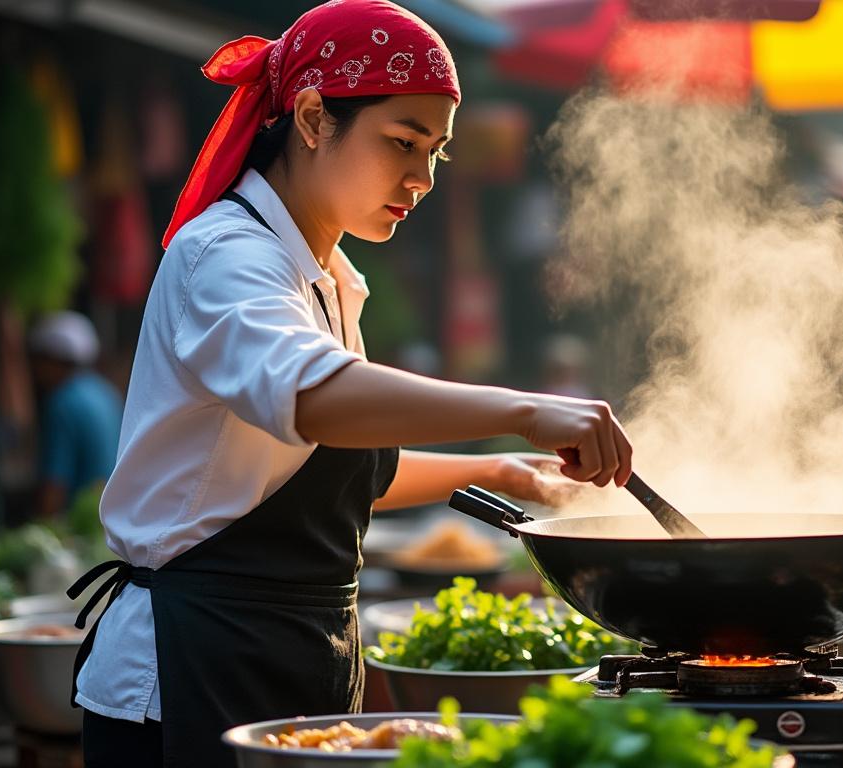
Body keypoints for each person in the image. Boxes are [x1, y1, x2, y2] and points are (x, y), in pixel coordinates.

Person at [68, 3, 634, 765]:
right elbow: (317, 398)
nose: (422, 177)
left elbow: (335, 467)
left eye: (436, 151)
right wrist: (525, 410)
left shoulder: (330, 278)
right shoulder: (229, 256)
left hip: (296, 658)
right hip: (188, 672)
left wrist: (494, 471)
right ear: (310, 117)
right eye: (402, 142)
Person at [27, 311, 123, 520]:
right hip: (113, 516)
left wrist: (42, 526)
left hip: (79, 522)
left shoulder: (62, 403)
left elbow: (55, 484)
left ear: (54, 360)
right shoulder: (106, 392)